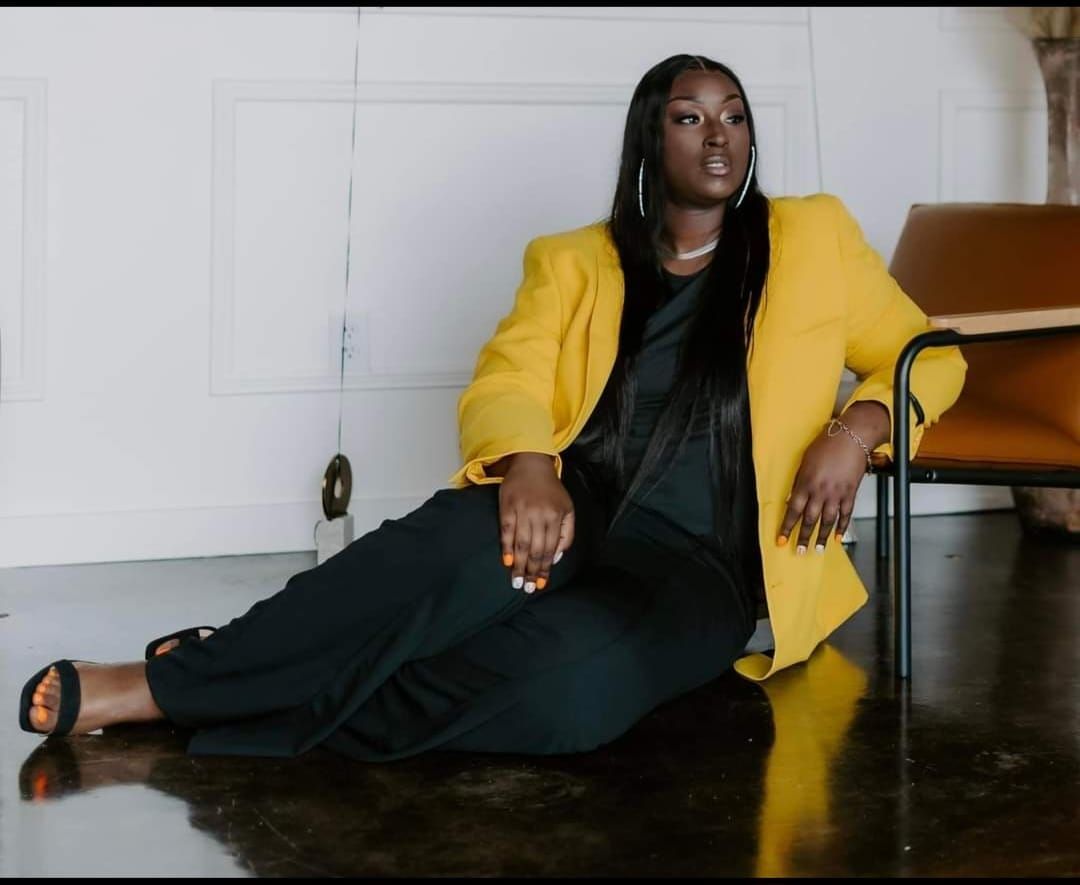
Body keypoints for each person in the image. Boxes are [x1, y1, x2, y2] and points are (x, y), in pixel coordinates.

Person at [18, 54, 966, 760]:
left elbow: (933, 359)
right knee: (435, 560)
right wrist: (528, 464)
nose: (718, 136)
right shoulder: (574, 258)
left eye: (734, 116)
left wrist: (859, 429)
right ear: (651, 136)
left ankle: (237, 688)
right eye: (689, 117)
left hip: (708, 563)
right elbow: (509, 376)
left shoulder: (813, 236)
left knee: (565, 693)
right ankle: (149, 686)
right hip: (576, 507)